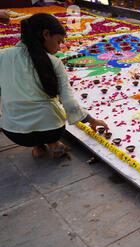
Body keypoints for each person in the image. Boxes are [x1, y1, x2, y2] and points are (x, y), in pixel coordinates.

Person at [0, 13, 109, 158]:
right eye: (59, 41)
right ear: (46, 34)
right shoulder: (54, 62)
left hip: (14, 132)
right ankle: (54, 143)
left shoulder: (2, 56)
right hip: (52, 129)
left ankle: (38, 147)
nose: (59, 48)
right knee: (50, 112)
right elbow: (69, 103)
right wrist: (92, 121)